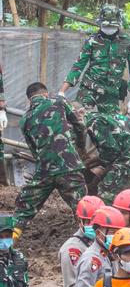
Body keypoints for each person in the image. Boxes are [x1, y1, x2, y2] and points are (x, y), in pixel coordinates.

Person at [13, 82, 86, 236]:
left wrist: (45, 162)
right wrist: (80, 145)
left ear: (29, 99)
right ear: (45, 94)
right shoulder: (58, 102)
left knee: (21, 211)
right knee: (84, 209)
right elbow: (79, 125)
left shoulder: (24, 119)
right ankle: (90, 243)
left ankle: (5, 246)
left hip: (44, 172)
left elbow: (34, 150)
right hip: (69, 167)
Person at [60, 4, 130, 114]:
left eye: (112, 26)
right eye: (106, 26)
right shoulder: (92, 40)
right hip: (89, 87)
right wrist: (62, 92)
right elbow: (78, 66)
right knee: (79, 116)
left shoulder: (127, 42)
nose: (109, 29)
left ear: (118, 24)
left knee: (110, 122)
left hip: (111, 91)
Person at [84, 112, 130, 203]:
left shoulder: (93, 122)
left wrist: (91, 162)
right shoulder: (102, 117)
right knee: (127, 202)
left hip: (127, 164)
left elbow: (111, 151)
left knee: (106, 199)